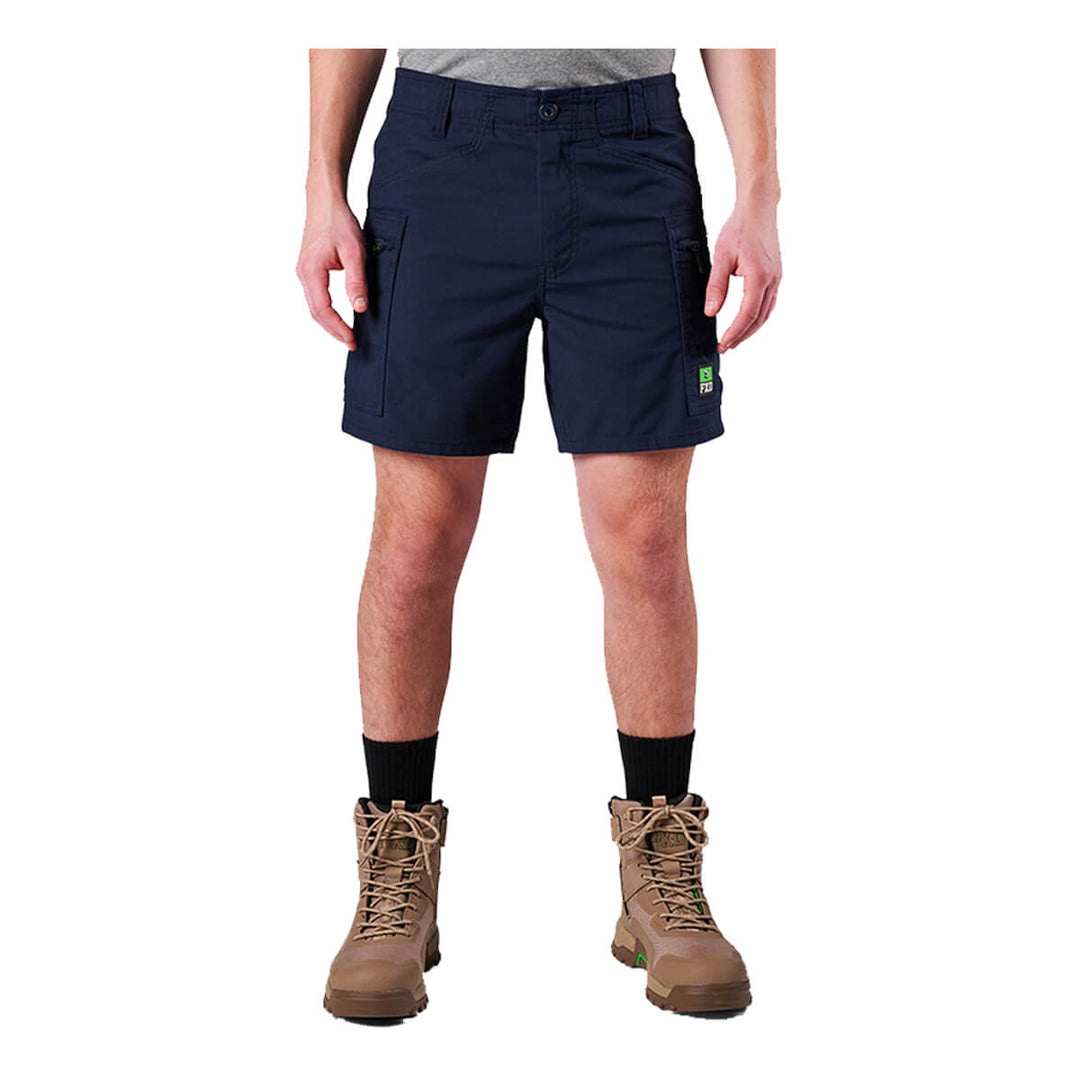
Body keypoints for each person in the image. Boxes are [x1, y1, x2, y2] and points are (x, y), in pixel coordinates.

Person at [297, 47, 781, 1019]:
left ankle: (658, 870)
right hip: (441, 154)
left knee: (645, 542)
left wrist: (759, 193)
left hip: (630, 154)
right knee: (416, 540)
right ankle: (396, 868)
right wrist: (321, 183)